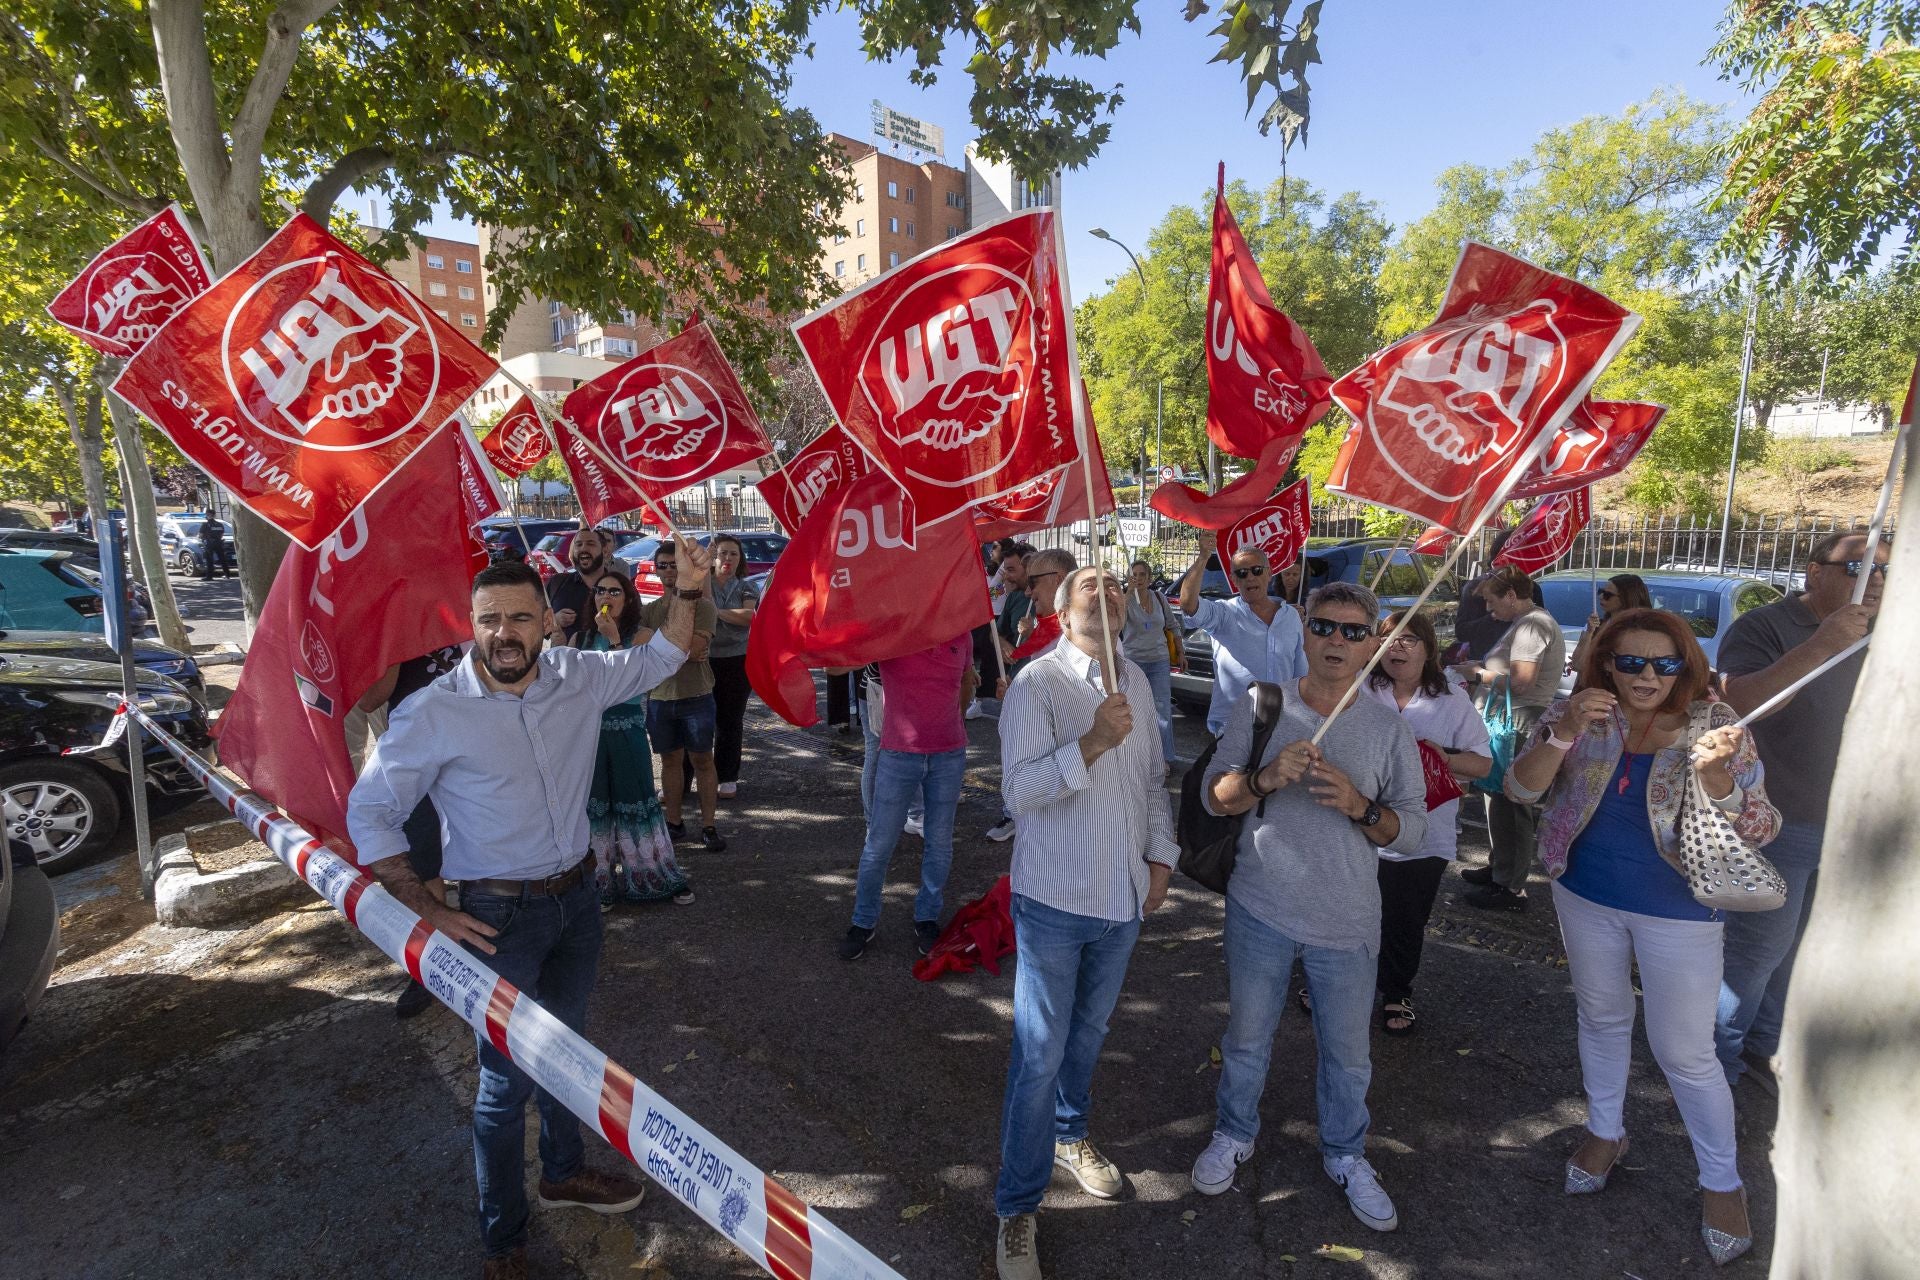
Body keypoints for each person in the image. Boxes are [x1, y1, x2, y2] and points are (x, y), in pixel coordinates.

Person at [347, 547, 708, 1279]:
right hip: (495, 918)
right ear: (470, 625)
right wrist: (425, 906)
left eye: (519, 617)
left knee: (568, 1053)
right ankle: (503, 1243)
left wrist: (690, 592)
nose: (503, 633)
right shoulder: (432, 710)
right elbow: (371, 810)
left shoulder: (580, 676)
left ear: (547, 620)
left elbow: (664, 654)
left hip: (578, 903)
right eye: (489, 619)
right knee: (504, 1086)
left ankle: (563, 1173)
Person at [1503, 607, 1778, 1266]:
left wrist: (1720, 781)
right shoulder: (1580, 714)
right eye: (1630, 661)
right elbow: (1519, 789)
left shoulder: (1717, 726)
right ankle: (1606, 1131)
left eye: (1664, 663)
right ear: (1607, 664)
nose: (1646, 675)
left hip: (1678, 910)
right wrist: (1565, 732)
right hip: (1583, 894)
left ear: (1687, 665)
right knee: (1601, 1015)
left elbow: (1764, 826)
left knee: (1684, 1052)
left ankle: (1722, 1182)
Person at [1189, 582, 1426, 1233]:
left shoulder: (1388, 729)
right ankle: (1234, 1132)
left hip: (1347, 921)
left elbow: (1412, 832)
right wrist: (1263, 778)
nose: (1336, 641)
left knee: (1348, 1056)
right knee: (1246, 1038)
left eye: (1354, 631)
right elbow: (1213, 796)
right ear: (1305, 630)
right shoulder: (1262, 703)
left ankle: (1346, 1153)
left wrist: (1360, 807)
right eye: (1324, 626)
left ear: (1372, 644)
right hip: (1259, 906)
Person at [992, 567, 1176, 1280]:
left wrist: (1161, 858)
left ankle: (1070, 1137)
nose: (1108, 594)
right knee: (1039, 1054)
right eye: (1090, 586)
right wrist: (1093, 741)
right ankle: (1016, 1207)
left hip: (1122, 902)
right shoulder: (1037, 685)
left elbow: (1152, 781)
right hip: (1054, 903)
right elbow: (1017, 793)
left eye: (1117, 586)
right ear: (1063, 612)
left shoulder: (1137, 681)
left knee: (1088, 1036)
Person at [1714, 530, 1886, 1094]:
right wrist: (1824, 643)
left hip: (1854, 825)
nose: (1876, 579)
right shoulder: (1766, 626)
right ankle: (1715, 1061)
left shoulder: (1892, 633)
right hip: (1780, 821)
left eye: (1888, 569)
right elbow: (1741, 703)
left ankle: (1763, 1047)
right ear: (1814, 571)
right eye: (1860, 566)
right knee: (1757, 949)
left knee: (1805, 949)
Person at [1364, 609, 1491, 1034]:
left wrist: (1445, 756)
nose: (1396, 646)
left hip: (1424, 833)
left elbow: (1483, 763)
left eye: (1408, 639)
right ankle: (1326, 978)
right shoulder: (1359, 690)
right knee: (1350, 910)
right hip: (1358, 827)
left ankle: (1396, 991)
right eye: (1387, 638)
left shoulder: (1451, 700)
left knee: (1405, 919)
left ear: (1428, 649)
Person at [840, 630, 978, 962]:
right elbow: (837, 665)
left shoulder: (961, 632)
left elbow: (966, 681)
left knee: (939, 842)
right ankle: (863, 921)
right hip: (899, 754)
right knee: (879, 844)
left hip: (948, 754)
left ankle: (927, 917)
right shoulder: (894, 632)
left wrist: (954, 721)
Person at [357, 643, 468, 1018]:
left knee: (486, 853)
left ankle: (488, 948)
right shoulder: (395, 631)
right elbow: (369, 701)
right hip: (415, 760)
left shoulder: (471, 622)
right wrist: (394, 650)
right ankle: (434, 961)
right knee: (424, 861)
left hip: (473, 753)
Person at [573, 569, 696, 903]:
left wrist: (614, 640)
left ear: (628, 600)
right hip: (590, 734)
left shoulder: (642, 636)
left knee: (637, 800)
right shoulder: (580, 640)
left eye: (615, 592)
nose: (606, 597)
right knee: (594, 806)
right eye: (600, 591)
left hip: (627, 729)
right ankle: (599, 882)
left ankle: (653, 874)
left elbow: (629, 683)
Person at [1450, 565, 1565, 911]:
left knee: (1511, 801)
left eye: (1491, 600)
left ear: (1512, 595)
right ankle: (1500, 867)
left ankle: (1509, 885)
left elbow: (1521, 683)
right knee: (1497, 797)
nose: (1488, 609)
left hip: (1517, 721)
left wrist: (1478, 674)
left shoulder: (1532, 624)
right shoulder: (1525, 622)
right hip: (1508, 719)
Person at [636, 544, 726, 853]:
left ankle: (709, 826)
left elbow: (696, 648)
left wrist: (660, 645)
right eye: (662, 565)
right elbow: (643, 648)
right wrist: (678, 647)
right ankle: (674, 823)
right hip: (660, 697)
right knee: (670, 761)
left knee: (703, 760)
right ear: (656, 570)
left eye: (673, 564)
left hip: (696, 696)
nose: (669, 570)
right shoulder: (648, 610)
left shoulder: (704, 607)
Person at [987, 548, 1076, 843]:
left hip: (1068, 785)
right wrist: (1016, 692)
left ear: (1059, 580)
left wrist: (1022, 695)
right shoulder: (1048, 632)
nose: (1027, 592)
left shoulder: (1085, 637)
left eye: (1033, 582)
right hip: (1044, 781)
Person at [1177, 545, 1308, 739]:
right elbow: (1189, 605)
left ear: (1269, 573)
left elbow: (1300, 676)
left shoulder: (1291, 617)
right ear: (1234, 579)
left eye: (1257, 570)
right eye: (1242, 573)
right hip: (1233, 727)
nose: (1250, 577)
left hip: (1280, 725)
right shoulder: (1224, 614)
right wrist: (1203, 557)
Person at [707, 534, 759, 799]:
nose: (727, 558)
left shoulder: (746, 587)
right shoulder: (702, 584)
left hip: (737, 660)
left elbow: (749, 616)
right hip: (703, 659)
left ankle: (726, 776)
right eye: (723, 553)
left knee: (730, 720)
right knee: (698, 720)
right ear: (714, 556)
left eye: (733, 554)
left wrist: (715, 613)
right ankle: (686, 778)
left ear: (740, 559)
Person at [1122, 558, 1179, 765]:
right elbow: (1116, 623)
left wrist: (1180, 651)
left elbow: (1172, 625)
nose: (1138, 579)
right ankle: (1137, 757)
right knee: (1134, 710)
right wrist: (1128, 594)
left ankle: (1164, 759)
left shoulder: (1159, 598)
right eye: (1134, 575)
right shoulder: (1125, 599)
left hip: (1158, 661)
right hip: (1134, 661)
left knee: (1162, 710)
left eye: (1142, 575)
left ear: (1149, 578)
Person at [1568, 573, 1652, 675]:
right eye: (1601, 591)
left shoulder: (1643, 631)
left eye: (1608, 595)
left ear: (1625, 598)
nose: (1601, 597)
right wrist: (1589, 633)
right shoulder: (1595, 626)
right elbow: (1578, 664)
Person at [545, 527, 614, 647]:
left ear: (605, 552)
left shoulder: (619, 588)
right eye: (578, 544)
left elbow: (636, 629)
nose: (583, 548)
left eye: (590, 544)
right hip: (563, 658)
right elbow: (534, 625)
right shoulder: (557, 583)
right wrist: (554, 621)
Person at [198, 513, 233, 579]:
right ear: (214, 516)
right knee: (222, 559)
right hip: (219, 543)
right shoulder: (220, 524)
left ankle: (209, 576)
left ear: (207, 516)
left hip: (209, 543)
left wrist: (201, 537)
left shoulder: (205, 524)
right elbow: (222, 534)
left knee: (209, 560)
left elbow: (200, 535)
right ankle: (227, 575)